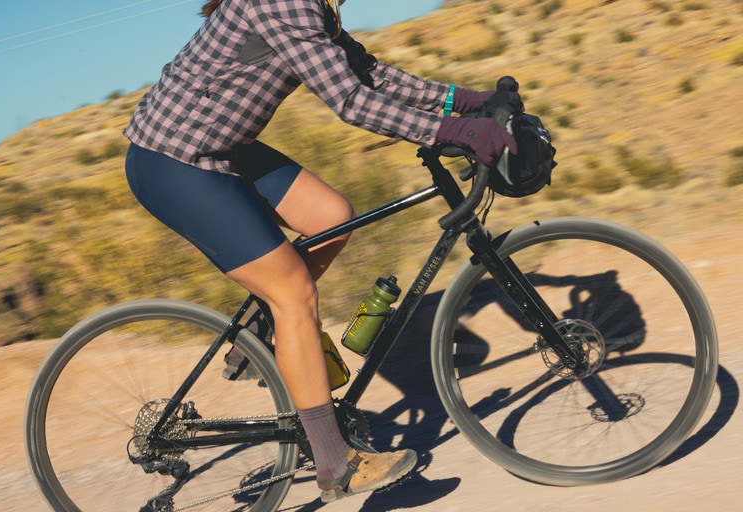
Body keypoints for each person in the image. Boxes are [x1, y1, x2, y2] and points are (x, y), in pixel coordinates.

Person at [123, 0, 516, 503]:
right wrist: (450, 131)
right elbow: (350, 101)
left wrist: (464, 102)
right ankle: (336, 462)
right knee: (295, 294)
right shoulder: (280, 3)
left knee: (330, 216)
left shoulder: (316, 6)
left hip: (220, 148)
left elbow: (368, 73)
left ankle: (269, 333)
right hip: (172, 162)